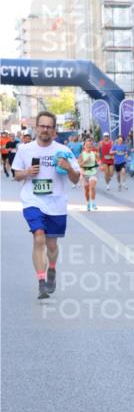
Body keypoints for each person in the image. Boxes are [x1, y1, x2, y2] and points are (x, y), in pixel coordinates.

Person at [12, 111, 81, 299]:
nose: (45, 130)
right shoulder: (25, 149)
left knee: (52, 245)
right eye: (42, 126)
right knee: (39, 237)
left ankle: (52, 268)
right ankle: (41, 281)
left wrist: (68, 168)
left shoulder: (64, 151)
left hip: (56, 203)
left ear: (54, 130)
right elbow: (16, 175)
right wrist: (26, 172)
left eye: (49, 127)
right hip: (32, 200)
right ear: (36, 128)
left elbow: (76, 179)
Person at [79, 139, 100, 211]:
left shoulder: (94, 153)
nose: (88, 147)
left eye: (90, 145)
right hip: (85, 173)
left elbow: (99, 161)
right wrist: (85, 161)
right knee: (86, 190)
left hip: (93, 172)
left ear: (91, 146)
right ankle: (88, 203)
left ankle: (93, 203)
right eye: (87, 145)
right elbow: (79, 164)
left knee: (92, 187)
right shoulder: (82, 154)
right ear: (84, 146)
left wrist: (100, 164)